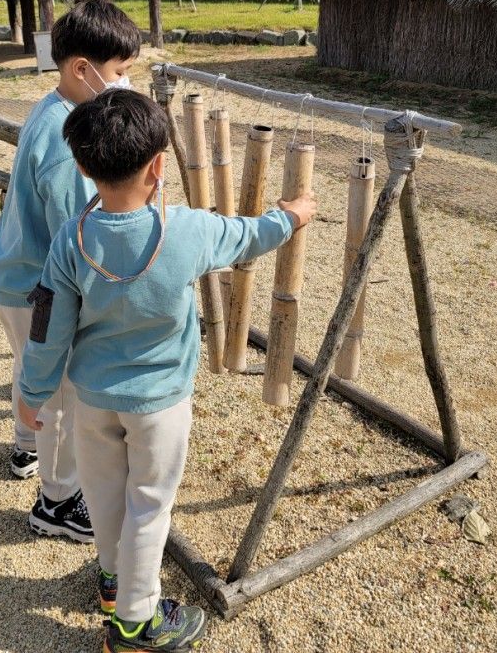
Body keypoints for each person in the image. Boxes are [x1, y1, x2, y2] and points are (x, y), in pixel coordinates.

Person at [18, 90, 317, 652]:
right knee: (149, 505)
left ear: (82, 167)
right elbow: (251, 236)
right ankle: (133, 624)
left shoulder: (71, 240)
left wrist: (31, 392)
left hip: (91, 398)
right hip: (158, 404)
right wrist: (292, 216)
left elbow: (47, 327)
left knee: (106, 496)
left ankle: (113, 581)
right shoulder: (186, 230)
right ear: (159, 166)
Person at [0, 0, 140, 542]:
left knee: (28, 364)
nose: (123, 84)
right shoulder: (69, 146)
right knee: (60, 394)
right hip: (36, 286)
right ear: (82, 69)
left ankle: (26, 449)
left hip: (10, 272)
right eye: (118, 73)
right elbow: (74, 243)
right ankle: (58, 500)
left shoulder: (50, 107)